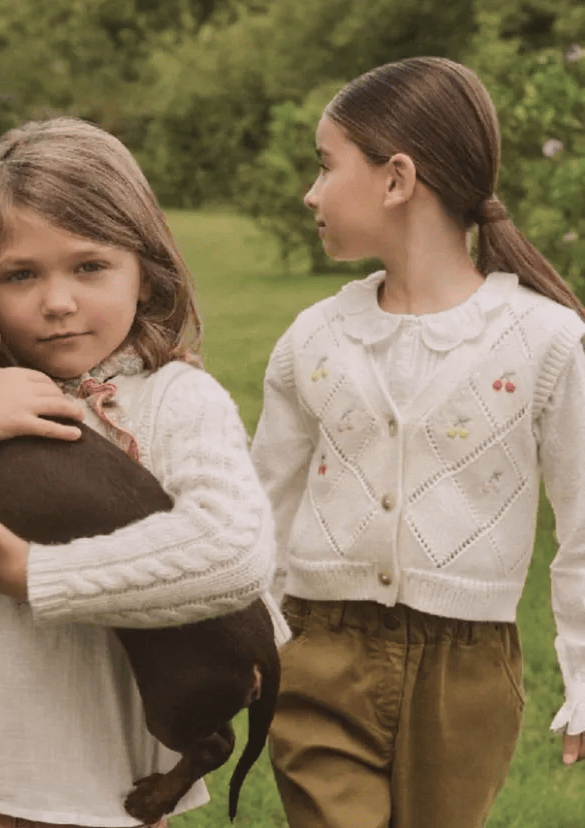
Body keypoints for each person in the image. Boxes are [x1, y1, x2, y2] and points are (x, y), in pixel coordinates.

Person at [0, 117, 290, 828]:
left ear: (146, 271)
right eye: (20, 274)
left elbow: (233, 553)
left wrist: (41, 577)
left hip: (100, 799)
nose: (57, 301)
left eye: (89, 266)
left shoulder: (176, 401)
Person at [250, 56, 585, 828]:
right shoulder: (316, 339)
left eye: (325, 167)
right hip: (321, 651)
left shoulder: (545, 341)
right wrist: (256, 637)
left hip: (467, 673)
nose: (310, 192)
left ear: (396, 179)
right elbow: (263, 498)